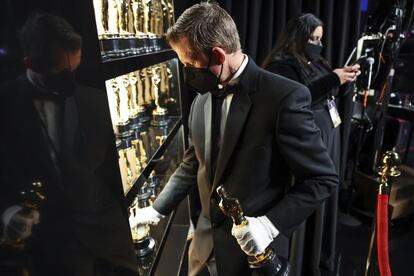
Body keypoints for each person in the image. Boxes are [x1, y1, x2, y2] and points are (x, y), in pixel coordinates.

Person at [129, 3, 338, 276]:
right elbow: (193, 164)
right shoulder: (200, 102)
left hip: (255, 254)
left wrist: (269, 224)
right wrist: (157, 209)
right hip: (204, 248)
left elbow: (323, 178)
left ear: (217, 55)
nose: (187, 73)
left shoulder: (284, 97)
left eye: (190, 64)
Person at [0, 14, 137, 275]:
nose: (71, 81)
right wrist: (6, 212)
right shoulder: (5, 105)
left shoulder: (96, 101)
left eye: (75, 69)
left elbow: (109, 169)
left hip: (109, 238)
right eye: (62, 73)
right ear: (30, 62)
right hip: (47, 247)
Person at [262, 13, 360, 275]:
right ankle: (299, 261)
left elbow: (327, 93)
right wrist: (333, 79)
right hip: (306, 146)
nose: (317, 43)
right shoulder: (282, 65)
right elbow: (299, 97)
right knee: (307, 198)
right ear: (298, 36)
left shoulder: (317, 61)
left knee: (324, 198)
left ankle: (319, 255)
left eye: (320, 39)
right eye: (312, 38)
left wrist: (344, 81)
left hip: (327, 140)